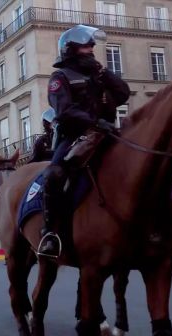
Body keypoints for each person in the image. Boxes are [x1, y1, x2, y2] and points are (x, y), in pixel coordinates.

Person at [37, 25, 130, 258]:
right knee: (54, 175)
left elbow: (123, 94)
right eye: (86, 46)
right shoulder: (60, 77)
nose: (91, 50)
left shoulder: (97, 74)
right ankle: (50, 231)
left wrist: (104, 72)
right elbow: (64, 110)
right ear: (71, 49)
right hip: (74, 136)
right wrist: (95, 123)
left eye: (92, 46)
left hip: (107, 134)